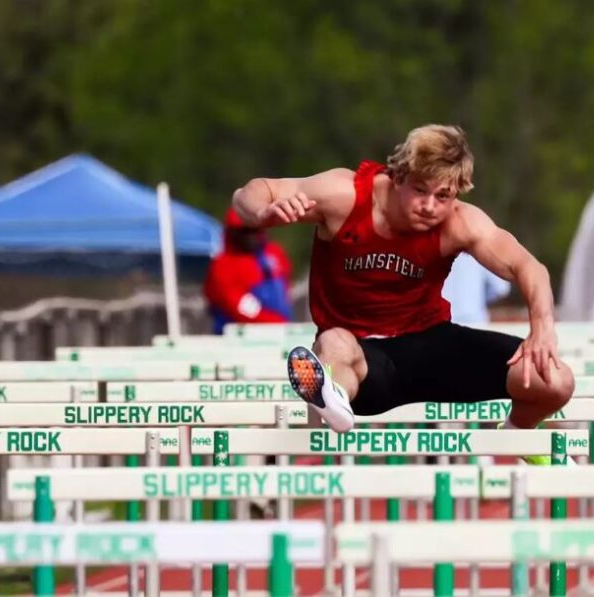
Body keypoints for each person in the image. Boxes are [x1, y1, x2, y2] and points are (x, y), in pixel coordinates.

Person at [232, 124, 574, 463]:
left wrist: (542, 329)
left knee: (555, 381)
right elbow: (253, 191)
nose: (429, 206)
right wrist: (262, 214)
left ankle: (517, 433)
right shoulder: (344, 196)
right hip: (364, 356)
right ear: (397, 176)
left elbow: (528, 267)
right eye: (420, 190)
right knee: (334, 343)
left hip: (433, 347)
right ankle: (333, 397)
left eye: (443, 196)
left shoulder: (460, 222)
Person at [204, 206, 293, 334]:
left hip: (281, 331)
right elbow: (239, 307)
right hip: (240, 338)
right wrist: (279, 325)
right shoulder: (223, 265)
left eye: (254, 229)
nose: (251, 236)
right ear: (232, 232)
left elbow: (285, 289)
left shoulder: (274, 253)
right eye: (244, 231)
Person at [442, 252, 511, 324]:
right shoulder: (481, 251)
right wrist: (480, 299)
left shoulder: (436, 248)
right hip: (475, 320)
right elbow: (501, 288)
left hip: (442, 321)